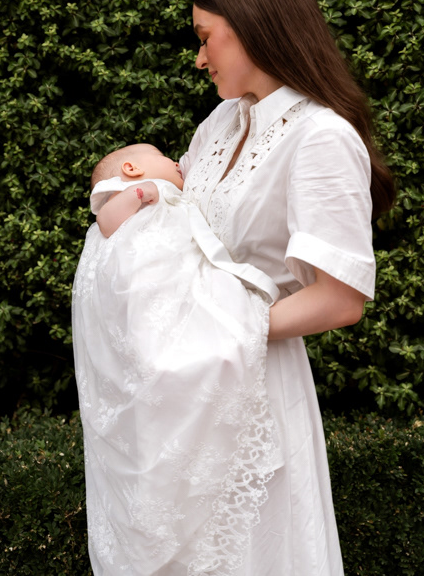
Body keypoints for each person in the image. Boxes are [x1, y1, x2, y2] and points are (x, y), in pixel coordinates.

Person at [177, 0, 395, 576]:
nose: (199, 58)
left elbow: (340, 299)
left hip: (258, 388)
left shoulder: (321, 136)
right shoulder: (221, 123)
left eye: (205, 38)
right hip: (192, 386)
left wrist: (219, 330)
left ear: (252, 26)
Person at [72, 143, 285, 575]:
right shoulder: (124, 195)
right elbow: (108, 225)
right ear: (132, 169)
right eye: (162, 156)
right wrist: (141, 194)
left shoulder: (168, 195)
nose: (175, 162)